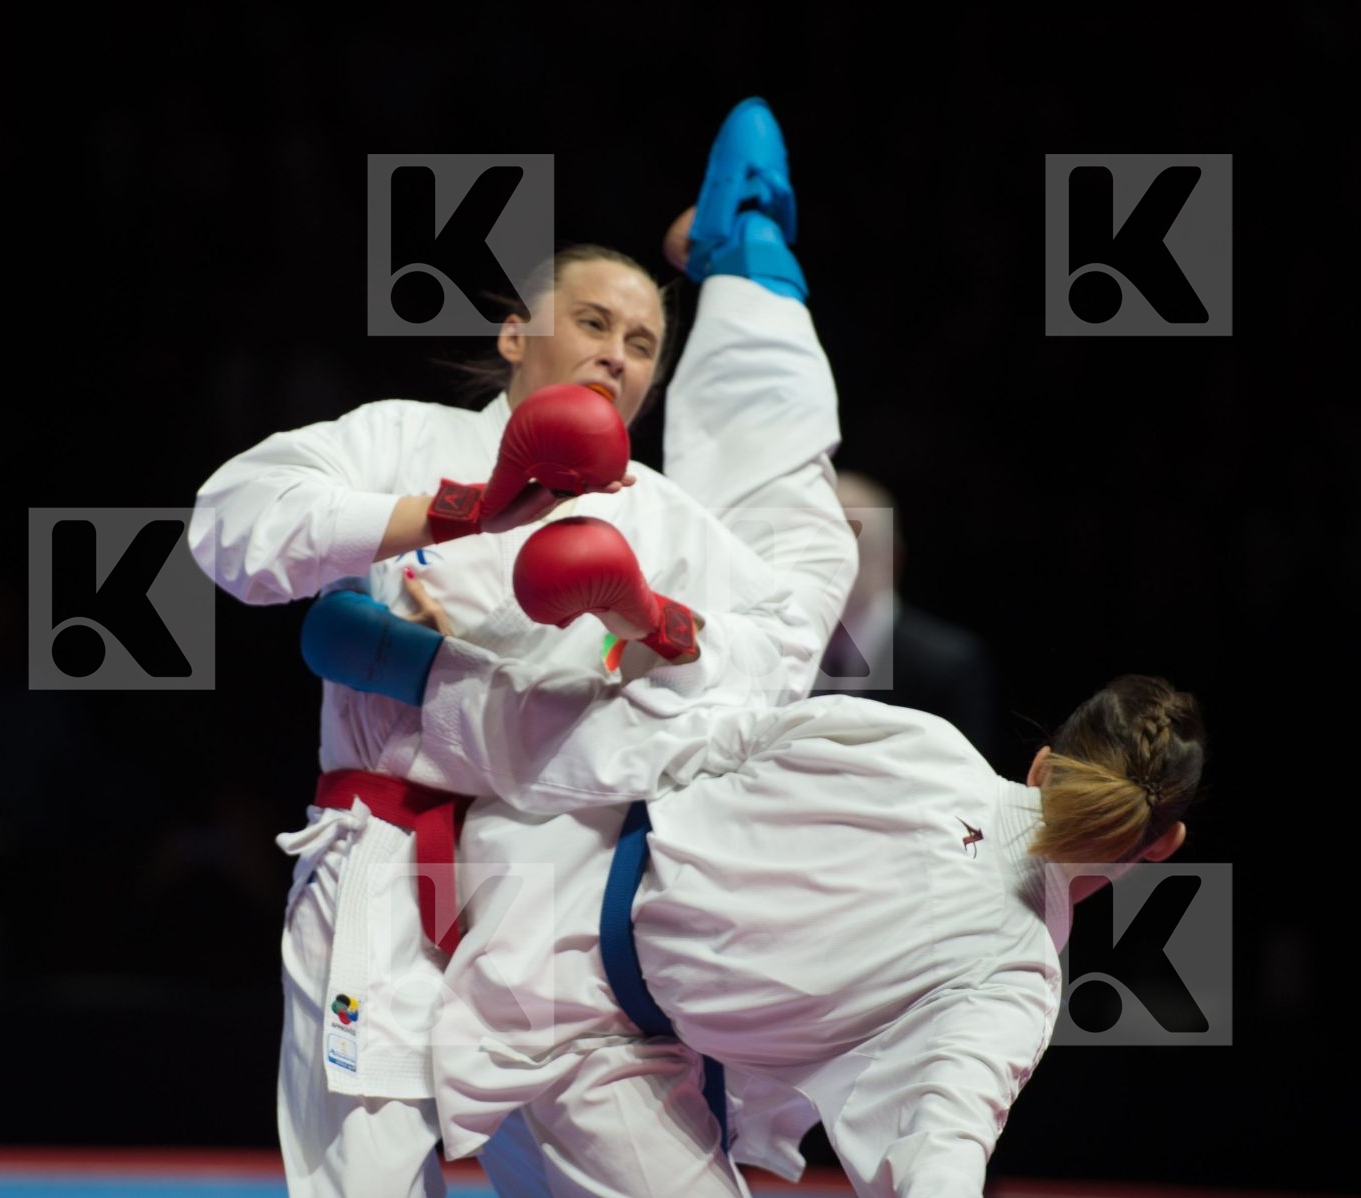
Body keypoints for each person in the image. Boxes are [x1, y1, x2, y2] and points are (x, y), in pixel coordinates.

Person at [189, 97, 855, 1197]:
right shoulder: (409, 439)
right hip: (387, 869)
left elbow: (774, 653)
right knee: (373, 1179)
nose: (618, 356)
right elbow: (230, 523)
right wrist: (449, 513)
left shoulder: (665, 517)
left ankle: (750, 262)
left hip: (567, 897)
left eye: (643, 344)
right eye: (594, 323)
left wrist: (649, 625)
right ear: (516, 333)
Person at [300, 570, 1206, 1198]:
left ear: (1045, 764)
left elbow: (703, 741)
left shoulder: (923, 743)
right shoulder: (1017, 980)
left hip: (519, 855)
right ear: (1162, 846)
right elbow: (942, 1146)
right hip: (589, 1050)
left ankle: (414, 656)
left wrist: (458, 687)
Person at [815, 469, 1003, 769]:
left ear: (892, 558)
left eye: (850, 548)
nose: (832, 567)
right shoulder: (782, 646)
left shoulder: (948, 666)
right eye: (819, 550)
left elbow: (967, 781)